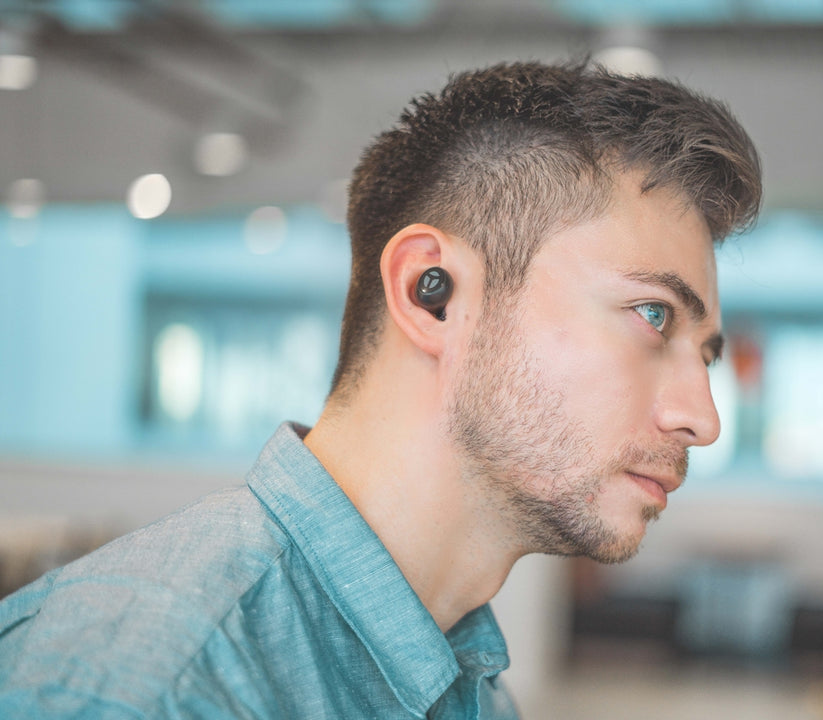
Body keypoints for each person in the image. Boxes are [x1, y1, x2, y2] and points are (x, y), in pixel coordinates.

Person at [0, 60, 761, 718]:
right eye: (652, 316)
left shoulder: (472, 687)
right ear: (434, 294)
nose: (701, 418)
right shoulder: (145, 684)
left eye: (706, 354)